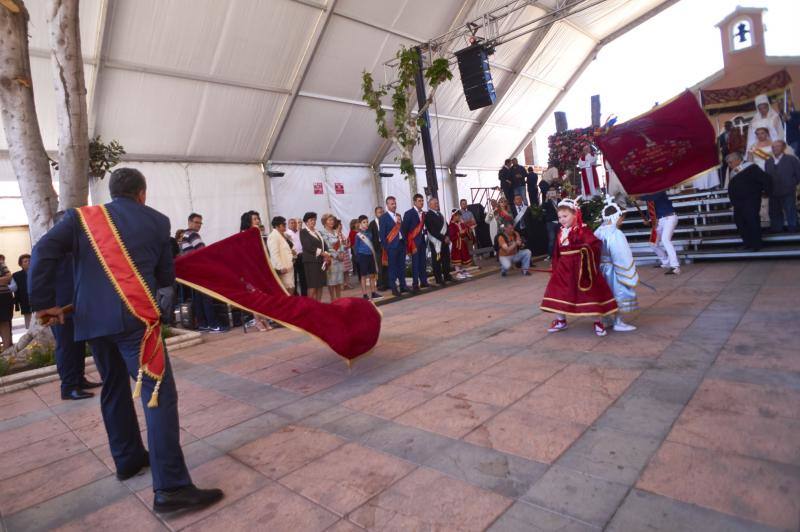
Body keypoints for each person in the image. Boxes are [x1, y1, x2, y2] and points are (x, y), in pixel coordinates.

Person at [29, 168, 223, 513]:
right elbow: (165, 275)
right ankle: (172, 488)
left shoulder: (83, 218)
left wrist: (43, 303)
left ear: (112, 192)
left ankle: (129, 458)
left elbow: (43, 251)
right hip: (136, 323)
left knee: (115, 388)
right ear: (142, 193)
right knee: (158, 396)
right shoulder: (157, 221)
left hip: (91, 322)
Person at [540, 198, 618, 337]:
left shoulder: (583, 230)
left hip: (582, 268)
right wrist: (555, 267)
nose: (562, 220)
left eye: (565, 216)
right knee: (557, 291)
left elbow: (595, 244)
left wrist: (584, 251)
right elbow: (557, 252)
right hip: (563, 269)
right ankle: (561, 320)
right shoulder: (561, 232)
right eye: (559, 217)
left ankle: (597, 322)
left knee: (588, 293)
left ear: (575, 214)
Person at [594, 197, 638, 332]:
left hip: (600, 269)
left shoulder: (598, 231)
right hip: (613, 269)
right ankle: (618, 321)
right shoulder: (615, 233)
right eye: (622, 217)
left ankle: (606, 319)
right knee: (618, 293)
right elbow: (621, 254)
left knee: (604, 294)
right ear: (617, 217)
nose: (622, 221)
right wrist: (629, 270)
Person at [181, 213, 226, 333]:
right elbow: (202, 251)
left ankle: (203, 324)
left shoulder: (184, 235)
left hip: (191, 271)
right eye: (196, 222)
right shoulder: (193, 234)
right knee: (206, 297)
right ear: (189, 222)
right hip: (199, 270)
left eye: (200, 223)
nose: (198, 225)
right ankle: (212, 324)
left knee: (198, 299)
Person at [727, 152, 772, 251]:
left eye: (730, 162)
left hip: (751, 201)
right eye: (728, 163)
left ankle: (757, 245)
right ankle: (747, 243)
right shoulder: (734, 171)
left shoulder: (751, 168)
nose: (729, 165)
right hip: (738, 203)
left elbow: (765, 179)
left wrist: (766, 192)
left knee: (752, 222)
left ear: (738, 160)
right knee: (740, 223)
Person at [639, 191, 680, 275]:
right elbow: (650, 208)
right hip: (659, 221)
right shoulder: (648, 195)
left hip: (669, 217)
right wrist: (647, 218)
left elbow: (652, 196)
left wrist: (638, 197)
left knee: (665, 239)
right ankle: (666, 262)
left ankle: (675, 266)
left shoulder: (658, 190)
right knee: (652, 243)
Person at [765, 140, 800, 233]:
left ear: (783, 148)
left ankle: (793, 228)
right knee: (774, 211)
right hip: (773, 191)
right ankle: (777, 229)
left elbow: (798, 174)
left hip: (788, 190)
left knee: (790, 210)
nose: (775, 148)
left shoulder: (792, 159)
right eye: (773, 147)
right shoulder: (768, 161)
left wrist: (792, 183)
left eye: (777, 146)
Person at [379, 197, 407, 297]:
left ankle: (403, 286)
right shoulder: (383, 218)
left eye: (395, 203)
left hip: (401, 244)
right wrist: (386, 247)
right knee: (392, 268)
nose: (394, 205)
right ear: (387, 205)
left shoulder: (399, 216)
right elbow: (382, 235)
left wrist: (405, 242)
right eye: (392, 204)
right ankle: (394, 288)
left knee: (402, 266)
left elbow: (402, 229)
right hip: (391, 246)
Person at [300, 212, 330, 301]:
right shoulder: (303, 232)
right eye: (311, 220)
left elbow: (324, 245)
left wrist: (327, 254)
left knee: (320, 285)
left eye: (314, 220)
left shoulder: (317, 232)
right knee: (312, 285)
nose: (313, 222)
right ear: (306, 222)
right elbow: (307, 246)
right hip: (311, 262)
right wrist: (322, 253)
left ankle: (318, 305)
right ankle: (310, 306)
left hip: (321, 262)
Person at [402, 193, 429, 292]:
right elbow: (404, 229)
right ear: (414, 202)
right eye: (419, 201)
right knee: (415, 263)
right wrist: (406, 244)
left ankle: (424, 281)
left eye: (422, 201)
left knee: (423, 262)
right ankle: (415, 283)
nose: (421, 203)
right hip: (413, 242)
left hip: (422, 240)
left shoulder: (423, 213)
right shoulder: (409, 213)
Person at [424, 196, 452, 286]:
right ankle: (439, 279)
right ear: (430, 205)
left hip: (444, 241)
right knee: (437, 260)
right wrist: (444, 238)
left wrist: (448, 236)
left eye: (437, 203)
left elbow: (446, 226)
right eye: (435, 203)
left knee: (446, 259)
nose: (437, 204)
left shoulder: (440, 214)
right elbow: (432, 230)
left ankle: (447, 276)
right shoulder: (428, 215)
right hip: (436, 242)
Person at [354, 215, 381, 300]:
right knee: (363, 276)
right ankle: (365, 294)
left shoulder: (369, 234)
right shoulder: (358, 235)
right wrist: (358, 259)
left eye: (367, 222)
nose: (366, 224)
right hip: (362, 257)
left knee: (372, 275)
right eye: (364, 222)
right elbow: (356, 248)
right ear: (360, 224)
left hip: (370, 256)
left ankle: (373, 292)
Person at [267, 216, 296, 292]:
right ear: (277, 226)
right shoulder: (273, 236)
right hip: (282, 268)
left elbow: (290, 248)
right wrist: (280, 267)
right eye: (283, 224)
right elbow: (274, 254)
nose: (285, 226)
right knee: (286, 290)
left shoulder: (284, 235)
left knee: (291, 288)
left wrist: (293, 254)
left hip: (289, 266)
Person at [320, 214, 344, 302]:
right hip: (331, 260)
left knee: (338, 281)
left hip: (340, 260)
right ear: (324, 222)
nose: (332, 222)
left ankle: (339, 299)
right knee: (332, 282)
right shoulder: (322, 233)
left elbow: (341, 244)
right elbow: (328, 247)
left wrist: (342, 253)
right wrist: (337, 255)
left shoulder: (336, 231)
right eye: (329, 220)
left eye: (332, 220)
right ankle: (333, 300)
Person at [368, 207, 389, 291]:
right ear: (375, 214)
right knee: (379, 267)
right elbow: (370, 237)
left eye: (382, 212)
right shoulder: (372, 224)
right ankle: (380, 284)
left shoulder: (386, 222)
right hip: (377, 247)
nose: (381, 214)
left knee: (386, 265)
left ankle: (387, 283)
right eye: (379, 212)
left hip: (386, 246)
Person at [448, 210, 473, 279]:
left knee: (463, 257)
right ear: (453, 216)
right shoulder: (451, 225)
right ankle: (458, 273)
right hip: (457, 245)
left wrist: (468, 230)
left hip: (463, 243)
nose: (459, 217)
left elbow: (466, 230)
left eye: (459, 215)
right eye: (457, 215)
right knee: (457, 258)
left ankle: (464, 271)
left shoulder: (461, 224)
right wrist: (460, 233)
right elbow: (452, 235)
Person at [286, 218, 306, 295]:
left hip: (302, 256)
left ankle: (304, 294)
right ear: (288, 224)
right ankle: (295, 294)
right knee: (293, 277)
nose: (293, 224)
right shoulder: (286, 234)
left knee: (303, 277)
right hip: (293, 258)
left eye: (295, 223)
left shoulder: (300, 232)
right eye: (291, 223)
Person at [12, 254, 32, 328]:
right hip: (25, 302)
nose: (28, 262)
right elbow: (16, 291)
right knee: (29, 325)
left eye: (29, 261)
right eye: (25, 261)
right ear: (21, 264)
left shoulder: (38, 272)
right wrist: (17, 304)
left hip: (39, 301)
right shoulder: (16, 275)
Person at [542, 189, 559, 260]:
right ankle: (550, 255)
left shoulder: (559, 200)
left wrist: (560, 198)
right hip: (550, 222)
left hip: (560, 221)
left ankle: (560, 253)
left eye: (553, 191)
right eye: (550, 192)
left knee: (561, 238)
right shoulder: (548, 201)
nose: (552, 193)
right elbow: (543, 207)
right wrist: (546, 198)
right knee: (551, 239)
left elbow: (564, 207)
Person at [0, 255, 12, 350]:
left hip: (3, 296)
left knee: (4, 322)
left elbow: (8, 278)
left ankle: (6, 350)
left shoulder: (1, 263)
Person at [718, 121, 733, 188]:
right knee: (722, 172)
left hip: (733, 156)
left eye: (728, 125)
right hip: (724, 156)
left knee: (732, 171)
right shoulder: (721, 136)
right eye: (726, 126)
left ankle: (733, 186)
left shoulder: (736, 134)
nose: (727, 127)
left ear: (731, 126)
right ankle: (721, 186)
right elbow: (718, 146)